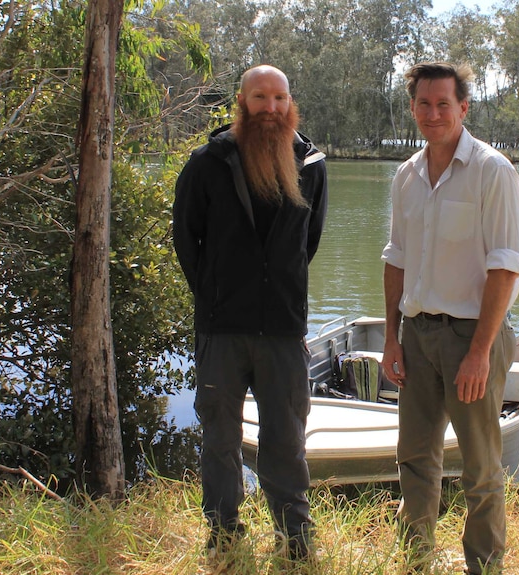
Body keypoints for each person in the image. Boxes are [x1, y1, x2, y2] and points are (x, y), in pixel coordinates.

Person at [173, 64, 328, 561]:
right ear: (242, 101)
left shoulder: (312, 165)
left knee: (286, 436)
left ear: (290, 103)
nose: (270, 108)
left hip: (283, 330)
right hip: (222, 329)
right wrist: (217, 295)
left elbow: (309, 243)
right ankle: (223, 532)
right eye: (260, 97)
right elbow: (186, 240)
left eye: (279, 98)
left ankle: (295, 538)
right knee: (219, 435)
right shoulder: (207, 163)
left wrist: (277, 292)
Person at [381, 62, 519, 574]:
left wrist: (481, 352)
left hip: (472, 337)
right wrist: (391, 340)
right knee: (415, 458)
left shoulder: (493, 172)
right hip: (417, 336)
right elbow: (396, 257)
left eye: (445, 104)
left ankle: (483, 566)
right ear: (413, 108)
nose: (433, 113)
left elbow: (505, 268)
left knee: (481, 468)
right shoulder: (406, 175)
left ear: (464, 108)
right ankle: (414, 559)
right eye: (424, 103)